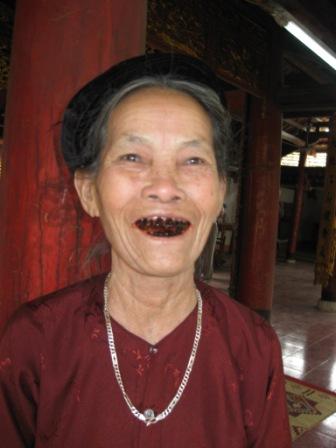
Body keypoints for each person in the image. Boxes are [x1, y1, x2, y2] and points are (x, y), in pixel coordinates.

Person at [0, 53, 291, 447]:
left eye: (192, 159)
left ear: (221, 191)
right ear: (89, 192)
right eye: (133, 157)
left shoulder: (255, 348)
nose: (165, 186)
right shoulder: (34, 340)